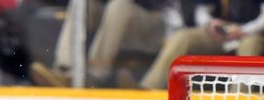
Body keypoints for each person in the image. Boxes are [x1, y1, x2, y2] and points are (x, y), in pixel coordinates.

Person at [125, 0, 264, 90]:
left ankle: (238, 97)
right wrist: (209, 23)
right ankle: (147, 89)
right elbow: (201, 10)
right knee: (183, 37)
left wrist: (244, 30)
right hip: (219, 34)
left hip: (249, 32)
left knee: (251, 44)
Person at [29, 0, 187, 88]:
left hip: (161, 23)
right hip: (115, 17)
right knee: (84, 3)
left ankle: (95, 77)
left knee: (120, 6)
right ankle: (66, 71)